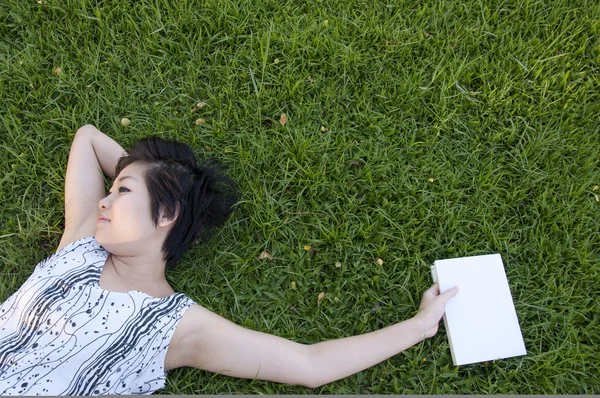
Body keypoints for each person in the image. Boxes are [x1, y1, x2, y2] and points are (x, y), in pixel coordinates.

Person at [0, 124, 459, 395]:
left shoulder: (173, 327)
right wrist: (150, 176)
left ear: (166, 214)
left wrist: (420, 325)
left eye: (120, 192)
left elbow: (310, 365)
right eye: (112, 187)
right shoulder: (82, 241)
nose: (103, 201)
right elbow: (86, 138)